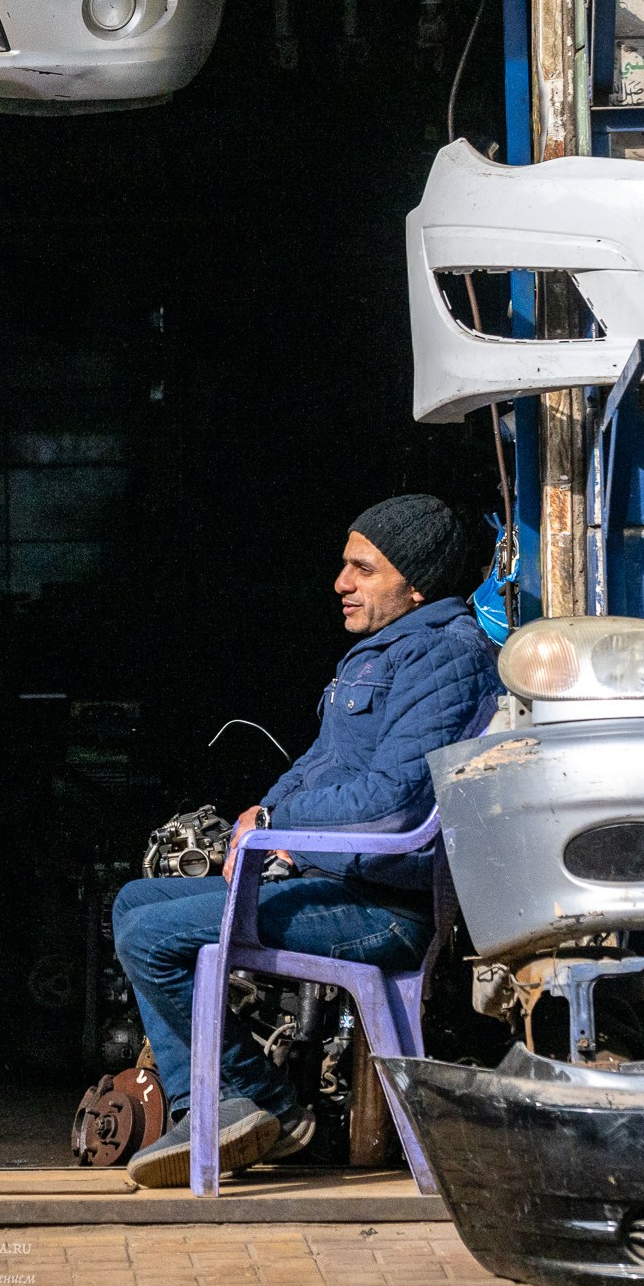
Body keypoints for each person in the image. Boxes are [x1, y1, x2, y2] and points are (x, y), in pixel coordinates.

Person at [113, 495, 500, 1188]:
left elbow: (396, 799)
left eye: (362, 568)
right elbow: (322, 766)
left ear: (416, 581)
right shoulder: (383, 654)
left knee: (152, 938)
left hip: (383, 907)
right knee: (133, 903)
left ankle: (254, 1099)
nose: (340, 582)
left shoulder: (447, 656)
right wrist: (264, 809)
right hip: (336, 884)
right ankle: (215, 1103)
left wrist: (279, 831)